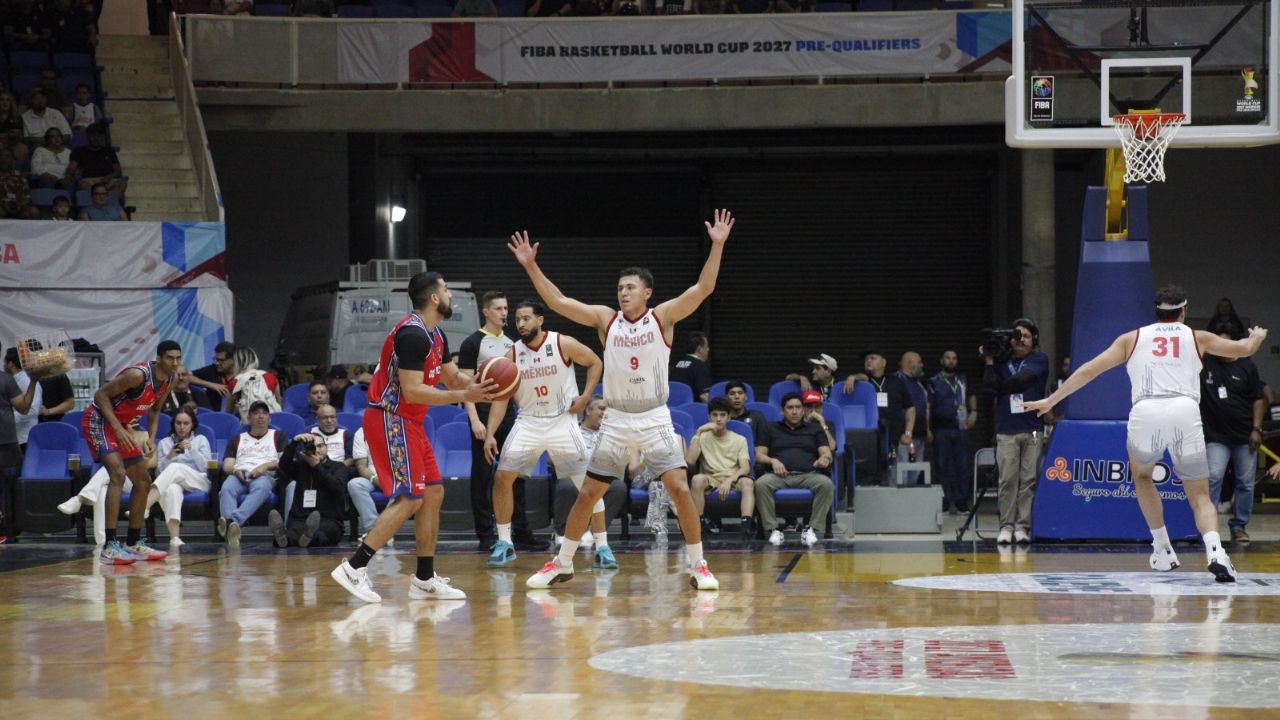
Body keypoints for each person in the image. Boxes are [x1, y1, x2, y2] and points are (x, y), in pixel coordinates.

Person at [510, 208, 734, 591]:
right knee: (589, 493)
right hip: (615, 419)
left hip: (654, 417)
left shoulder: (662, 317)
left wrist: (717, 245)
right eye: (620, 288)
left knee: (680, 487)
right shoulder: (604, 319)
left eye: (630, 287)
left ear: (647, 292)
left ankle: (698, 565)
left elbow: (703, 289)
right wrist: (531, 266)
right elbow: (560, 301)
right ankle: (562, 562)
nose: (623, 292)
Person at [1026, 285, 1267, 583]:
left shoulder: (1132, 338)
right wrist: (1256, 337)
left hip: (1147, 410)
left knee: (1142, 477)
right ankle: (1216, 551)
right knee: (1200, 494)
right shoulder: (1197, 337)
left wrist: (1051, 400)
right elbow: (1245, 350)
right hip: (1184, 410)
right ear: (1184, 311)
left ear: (1156, 312)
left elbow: (1089, 370)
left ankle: (1162, 547)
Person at [330, 271, 495, 604]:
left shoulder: (436, 335)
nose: (449, 294)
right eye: (447, 289)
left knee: (433, 492)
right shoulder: (412, 335)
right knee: (411, 497)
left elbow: (452, 377)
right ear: (434, 297)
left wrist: (488, 379)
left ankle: (423, 578)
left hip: (412, 423)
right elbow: (414, 391)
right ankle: (354, 567)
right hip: (390, 418)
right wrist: (466, 396)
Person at [482, 299, 606, 568]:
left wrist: (585, 397)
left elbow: (595, 362)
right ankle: (505, 542)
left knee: (587, 485)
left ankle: (603, 545)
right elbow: (501, 400)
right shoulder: (511, 355)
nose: (521, 324)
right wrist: (491, 432)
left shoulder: (563, 343)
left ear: (540, 320)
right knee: (502, 477)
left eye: (526, 318)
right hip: (528, 421)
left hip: (562, 421)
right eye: (517, 320)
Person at [84, 340, 181, 564]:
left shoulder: (169, 380)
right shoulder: (138, 376)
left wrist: (152, 438)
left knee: (143, 481)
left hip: (124, 427)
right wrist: (117, 428)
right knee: (117, 474)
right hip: (100, 422)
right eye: (170, 358)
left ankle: (134, 542)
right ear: (159, 358)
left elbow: (155, 410)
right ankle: (109, 546)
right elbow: (100, 395)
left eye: (178, 358)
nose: (175, 362)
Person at [981, 319, 1048, 544]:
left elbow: (1021, 381)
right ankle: (1006, 526)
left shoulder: (1039, 359)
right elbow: (987, 390)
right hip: (1006, 429)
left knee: (1028, 480)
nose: (1021, 340)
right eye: (1017, 336)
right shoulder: (1000, 361)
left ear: (1034, 340)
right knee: (1007, 480)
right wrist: (990, 361)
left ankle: (1022, 526)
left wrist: (999, 387)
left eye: (1026, 336)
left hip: (1033, 429)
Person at [1199, 326, 1266, 544]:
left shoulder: (1247, 366)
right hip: (1215, 437)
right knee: (1214, 477)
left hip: (1244, 436)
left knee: (1246, 483)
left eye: (1224, 344)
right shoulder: (1206, 364)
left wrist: (1256, 429)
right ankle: (1210, 528)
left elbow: (1258, 398)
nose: (1220, 348)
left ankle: (1239, 526)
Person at [754, 392, 835, 547]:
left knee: (827, 484)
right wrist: (773, 461)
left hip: (808, 475)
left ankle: (811, 529)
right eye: (790, 407)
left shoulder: (815, 429)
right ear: (782, 410)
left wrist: (824, 458)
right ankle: (773, 530)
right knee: (760, 484)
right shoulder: (770, 428)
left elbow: (827, 452)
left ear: (803, 410)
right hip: (779, 476)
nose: (794, 411)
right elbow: (758, 455)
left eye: (798, 407)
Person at [687, 396, 754, 542]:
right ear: (709, 417)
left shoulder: (739, 439)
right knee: (697, 479)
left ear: (729, 417)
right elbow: (690, 461)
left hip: (733, 477)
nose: (718, 419)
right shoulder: (701, 436)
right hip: (710, 478)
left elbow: (745, 468)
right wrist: (698, 433)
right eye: (715, 415)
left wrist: (729, 481)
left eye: (723, 415)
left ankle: (745, 527)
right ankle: (700, 526)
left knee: (748, 483)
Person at [218, 401, 285, 547]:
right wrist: (236, 470)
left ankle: (232, 521)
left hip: (264, 474)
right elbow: (227, 465)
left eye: (264, 413)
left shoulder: (278, 436)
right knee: (226, 488)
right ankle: (232, 532)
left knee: (262, 488)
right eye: (256, 413)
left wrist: (265, 466)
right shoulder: (237, 438)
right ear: (249, 418)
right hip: (239, 473)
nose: (260, 416)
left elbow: (284, 462)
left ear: (269, 418)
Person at [845, 348, 914, 483]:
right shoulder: (862, 383)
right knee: (870, 476)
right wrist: (852, 377)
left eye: (872, 358)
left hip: (894, 440)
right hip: (868, 440)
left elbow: (910, 408)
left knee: (894, 472)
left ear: (883, 362)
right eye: (866, 359)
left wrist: (908, 432)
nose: (868, 361)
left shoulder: (896, 382)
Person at [271, 430, 348, 548]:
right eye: (313, 446)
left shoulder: (338, 467)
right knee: (292, 533)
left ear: (326, 447)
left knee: (323, 533)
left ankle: (308, 537)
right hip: (300, 519)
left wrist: (317, 467)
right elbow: (283, 464)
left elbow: (338, 487)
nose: (317, 450)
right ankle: (283, 537)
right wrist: (294, 443)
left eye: (320, 446)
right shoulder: (301, 466)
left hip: (328, 520)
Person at [149, 408, 211, 546]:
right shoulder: (164, 443)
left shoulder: (201, 440)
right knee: (171, 489)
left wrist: (192, 450)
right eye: (178, 423)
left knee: (175, 467)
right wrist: (169, 457)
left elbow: (206, 468)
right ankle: (174, 538)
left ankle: (146, 504)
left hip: (198, 481)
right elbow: (159, 475)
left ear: (192, 424)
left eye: (186, 423)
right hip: (175, 481)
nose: (182, 427)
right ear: (173, 424)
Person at [0, 342, 41, 542]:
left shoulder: (7, 379)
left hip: (7, 442)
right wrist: (33, 382)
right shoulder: (6, 380)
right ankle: (8, 531)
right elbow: (24, 407)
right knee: (8, 488)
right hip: (7, 442)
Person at [929, 350, 977, 513]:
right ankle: (943, 501)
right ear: (942, 360)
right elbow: (928, 406)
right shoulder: (934, 381)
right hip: (941, 428)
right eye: (948, 358)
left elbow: (971, 395)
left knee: (963, 466)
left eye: (954, 358)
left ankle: (961, 501)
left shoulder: (962, 379)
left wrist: (974, 412)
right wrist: (927, 428)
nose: (951, 361)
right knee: (942, 466)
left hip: (961, 428)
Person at [226, 346, 282, 421]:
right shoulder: (271, 377)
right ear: (255, 359)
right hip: (274, 422)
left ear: (236, 363)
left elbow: (228, 413)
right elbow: (278, 402)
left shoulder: (234, 382)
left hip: (250, 426)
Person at [4, 348, 42, 452]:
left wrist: (8, 419)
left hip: (25, 437)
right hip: (15, 436)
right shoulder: (13, 380)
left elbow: (33, 410)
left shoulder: (27, 380)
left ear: (10, 363)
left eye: (5, 362)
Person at [190, 341, 236, 411]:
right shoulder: (212, 370)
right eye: (216, 359)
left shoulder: (242, 374)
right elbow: (186, 376)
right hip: (213, 415)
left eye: (221, 360)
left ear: (233, 360)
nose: (217, 363)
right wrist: (211, 385)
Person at [670, 332, 713, 402]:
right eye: (707, 346)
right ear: (699, 349)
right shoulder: (700, 366)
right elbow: (704, 396)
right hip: (692, 409)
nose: (708, 349)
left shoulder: (677, 364)